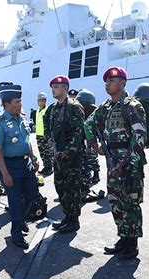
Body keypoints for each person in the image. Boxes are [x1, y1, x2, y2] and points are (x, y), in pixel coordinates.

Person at [85, 66, 147, 260]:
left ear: (122, 83)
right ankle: (122, 237)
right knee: (115, 202)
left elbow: (139, 137)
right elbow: (88, 123)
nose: (107, 84)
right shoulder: (105, 107)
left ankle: (132, 243)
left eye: (111, 81)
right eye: (106, 81)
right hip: (112, 163)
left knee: (130, 203)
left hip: (130, 164)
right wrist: (93, 143)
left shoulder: (132, 106)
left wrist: (126, 162)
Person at [0, 83, 40, 249]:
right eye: (16, 102)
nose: (20, 105)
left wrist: (33, 158)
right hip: (10, 166)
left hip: (26, 164)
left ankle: (21, 220)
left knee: (32, 195)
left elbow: (27, 141)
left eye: (20, 102)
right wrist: (4, 174)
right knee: (15, 202)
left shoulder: (22, 119)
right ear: (6, 104)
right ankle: (16, 233)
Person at [46, 75, 85, 234]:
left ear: (65, 88)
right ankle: (67, 216)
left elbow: (79, 132)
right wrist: (49, 138)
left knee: (72, 188)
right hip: (58, 154)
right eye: (52, 87)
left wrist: (68, 151)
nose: (53, 90)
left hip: (71, 156)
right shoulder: (54, 108)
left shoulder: (74, 106)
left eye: (56, 86)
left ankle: (74, 220)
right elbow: (49, 125)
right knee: (60, 186)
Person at [76, 88, 100, 198]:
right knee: (85, 168)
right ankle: (85, 192)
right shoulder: (92, 114)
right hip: (85, 144)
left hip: (77, 145)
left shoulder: (74, 111)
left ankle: (80, 189)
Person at [35, 92, 53, 176]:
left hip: (45, 135)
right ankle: (46, 166)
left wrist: (49, 135)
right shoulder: (38, 110)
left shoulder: (48, 110)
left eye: (41, 101)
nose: (40, 102)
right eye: (39, 101)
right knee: (42, 152)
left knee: (47, 152)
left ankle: (49, 167)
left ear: (45, 101)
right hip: (39, 135)